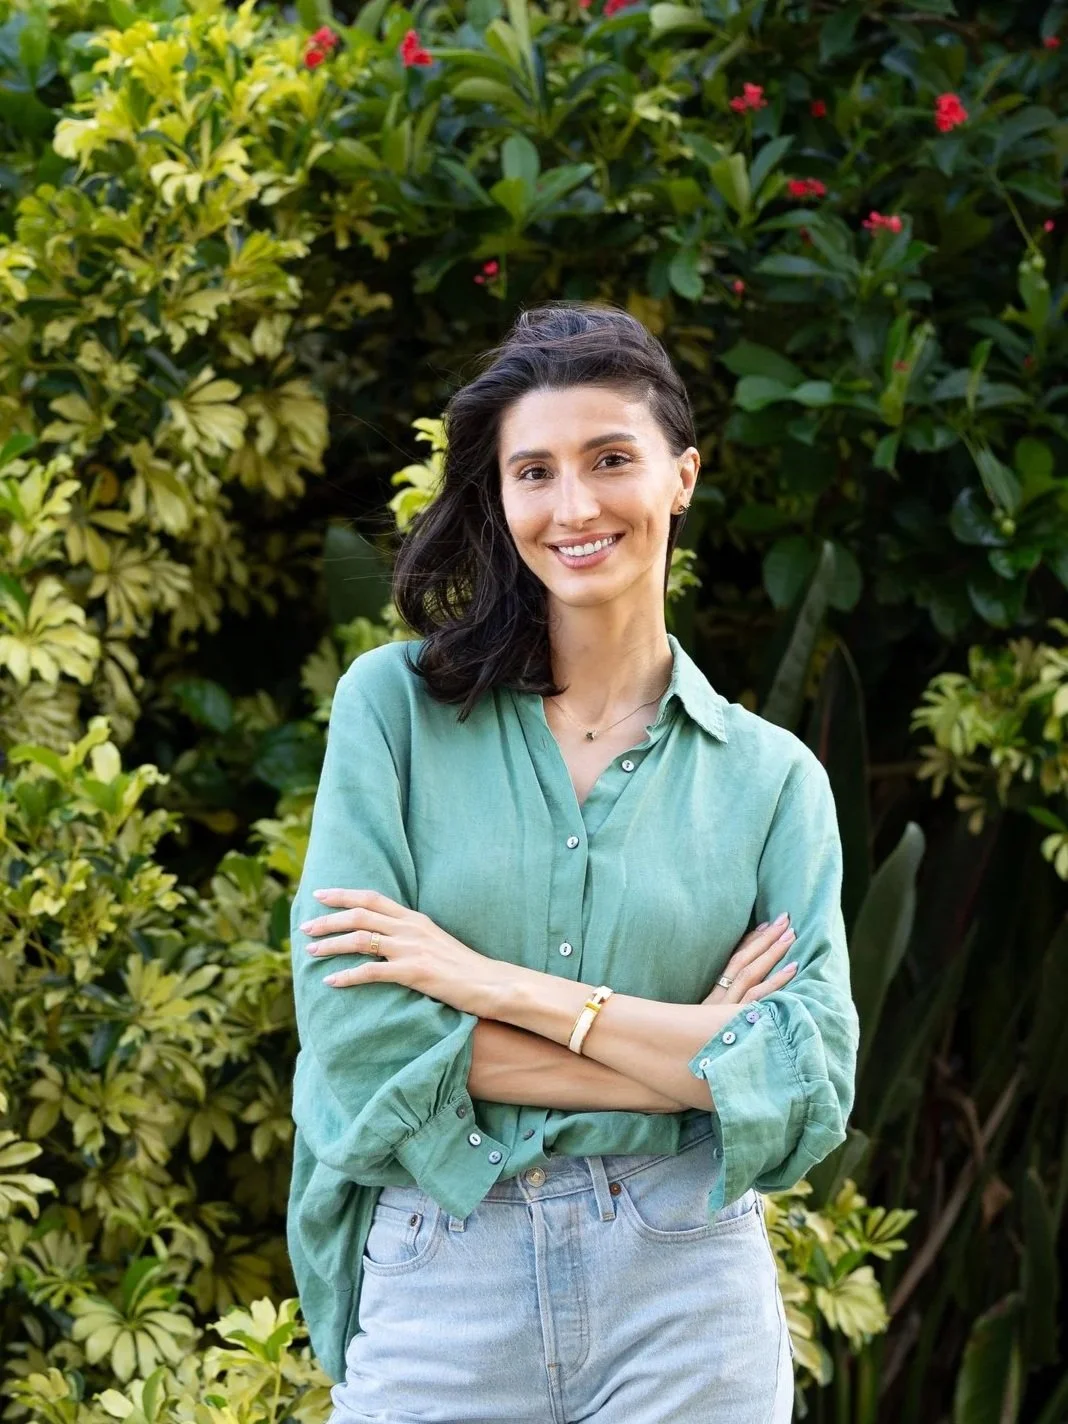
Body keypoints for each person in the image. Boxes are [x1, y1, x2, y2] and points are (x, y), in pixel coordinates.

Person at [287, 302, 860, 1424]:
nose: (575, 505)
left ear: (680, 476)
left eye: (611, 459)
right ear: (500, 498)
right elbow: (359, 1042)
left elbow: (803, 1088)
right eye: (534, 471)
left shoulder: (773, 780)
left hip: (685, 1284)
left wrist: (489, 985)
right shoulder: (393, 713)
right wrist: (694, 1056)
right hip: (446, 1260)